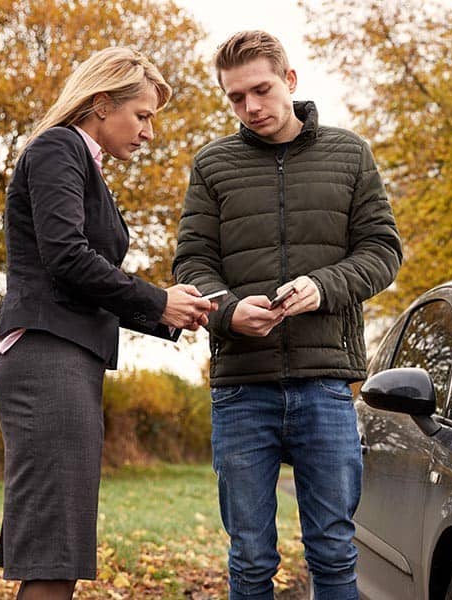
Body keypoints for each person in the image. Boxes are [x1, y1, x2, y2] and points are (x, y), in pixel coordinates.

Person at [174, 30, 403, 600]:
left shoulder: (350, 154)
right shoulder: (213, 165)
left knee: (332, 550)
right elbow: (192, 262)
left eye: (261, 89)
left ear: (290, 81)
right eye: (235, 97)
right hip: (240, 390)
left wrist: (324, 287)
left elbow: (382, 251)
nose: (251, 107)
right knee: (250, 558)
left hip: (325, 386)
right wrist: (227, 311)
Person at [0, 47, 216, 600]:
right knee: (53, 550)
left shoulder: (81, 163)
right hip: (47, 358)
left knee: (57, 545)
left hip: (68, 358)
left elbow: (86, 278)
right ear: (99, 103)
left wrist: (169, 313)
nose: (148, 133)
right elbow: (67, 258)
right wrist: (157, 300)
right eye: (141, 116)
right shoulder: (58, 148)